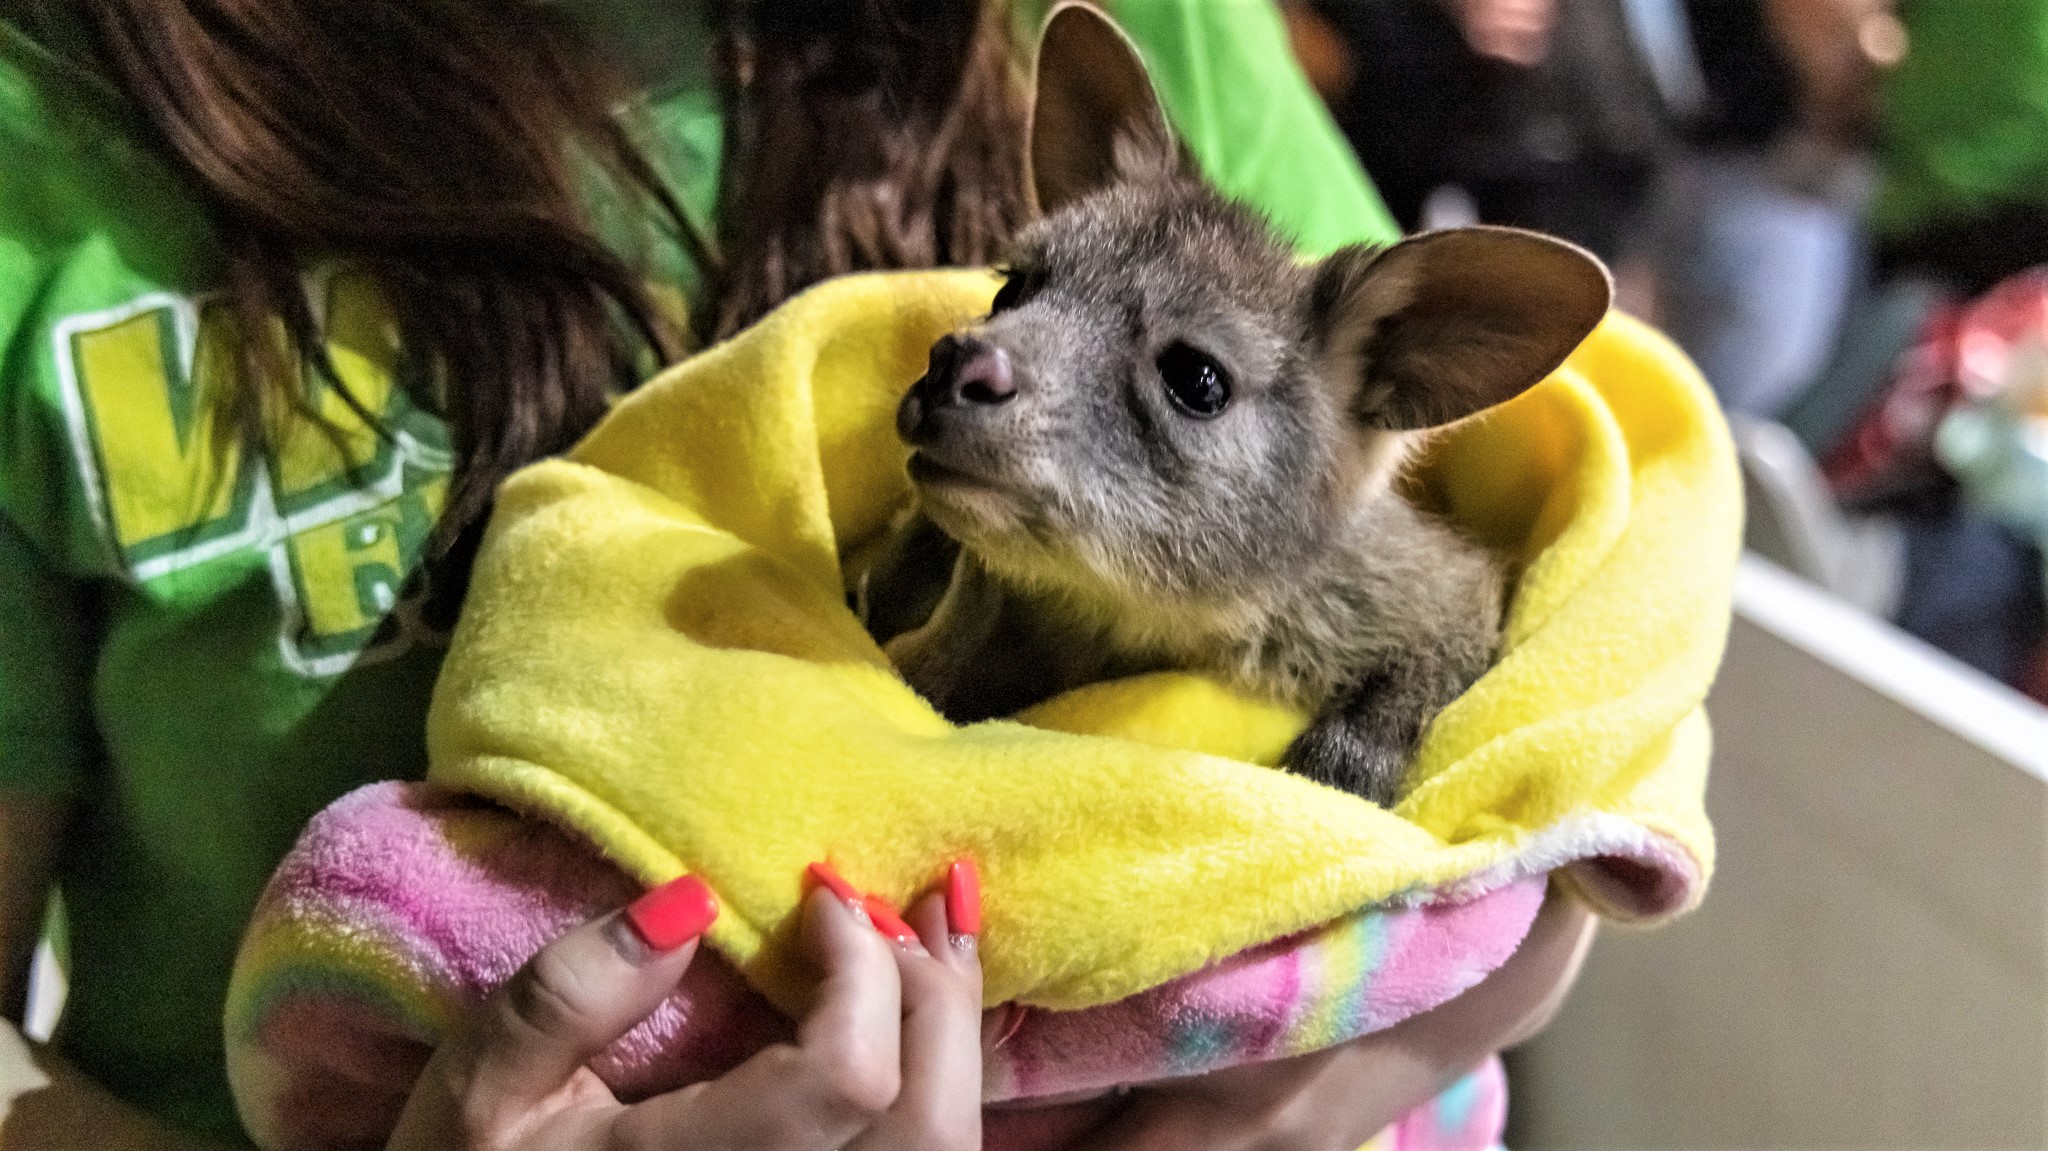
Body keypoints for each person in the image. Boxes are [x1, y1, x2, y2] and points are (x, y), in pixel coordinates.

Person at [0, 0, 1593, 1146]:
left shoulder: (1151, 34)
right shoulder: (50, 138)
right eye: (1019, 287)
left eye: (1171, 377)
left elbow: (1567, 765)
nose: (986, 345)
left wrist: (1277, 1081)